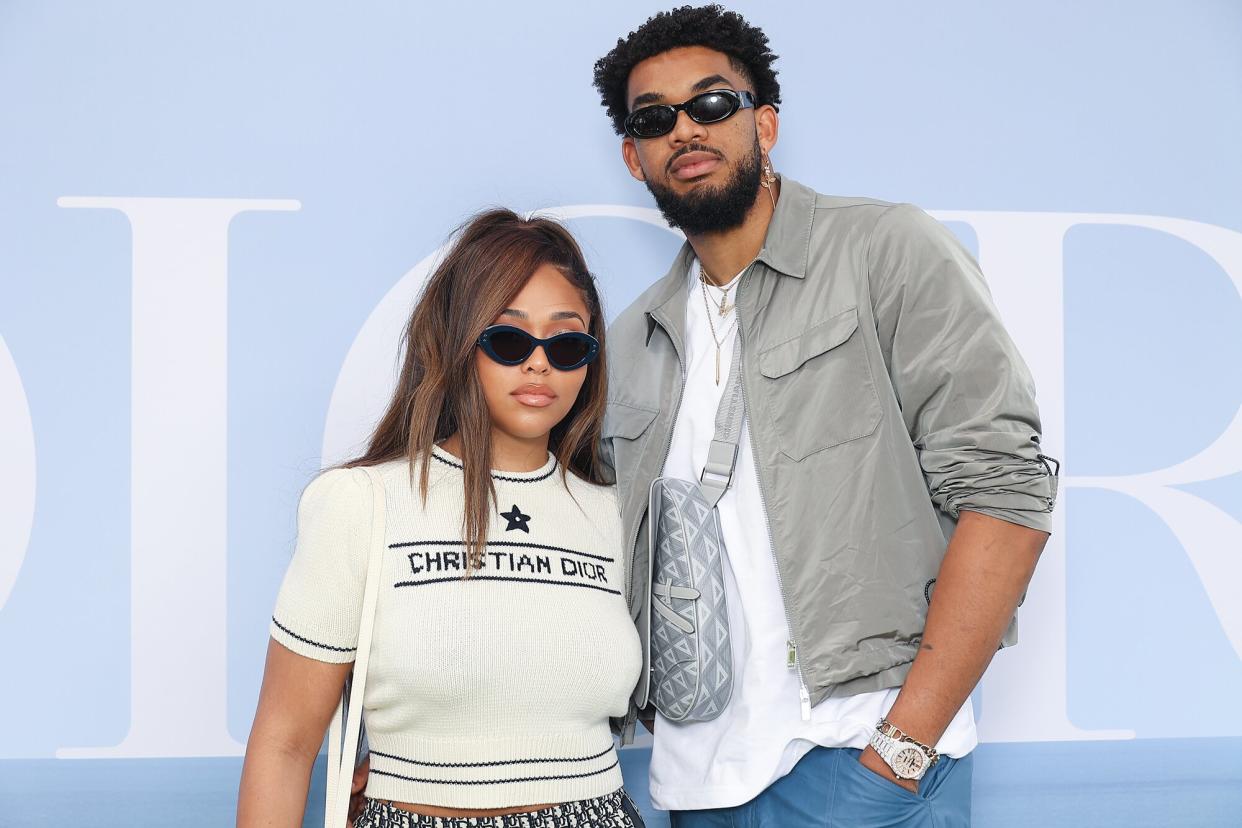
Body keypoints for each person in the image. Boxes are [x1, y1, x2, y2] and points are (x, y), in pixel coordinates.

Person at [591, 6, 1059, 827]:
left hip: (862, 763)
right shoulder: (634, 339)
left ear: (764, 122)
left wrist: (900, 752)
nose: (686, 130)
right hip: (698, 788)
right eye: (653, 119)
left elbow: (1005, 491)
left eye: (712, 104)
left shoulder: (885, 249)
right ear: (634, 157)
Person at [237, 209, 645, 827]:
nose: (539, 364)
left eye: (567, 344)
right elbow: (285, 744)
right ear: (456, 344)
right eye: (508, 339)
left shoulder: (616, 514)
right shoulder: (361, 503)